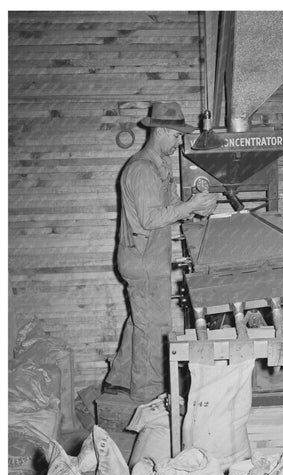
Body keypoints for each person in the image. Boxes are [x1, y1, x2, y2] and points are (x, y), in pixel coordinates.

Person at [103, 101, 218, 403]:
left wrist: (196, 205)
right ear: (164, 131)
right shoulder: (142, 169)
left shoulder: (158, 166)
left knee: (140, 319)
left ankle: (118, 379)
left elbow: (169, 208)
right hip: (143, 260)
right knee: (154, 327)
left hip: (146, 257)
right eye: (178, 135)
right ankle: (148, 395)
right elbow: (149, 218)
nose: (180, 141)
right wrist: (191, 206)